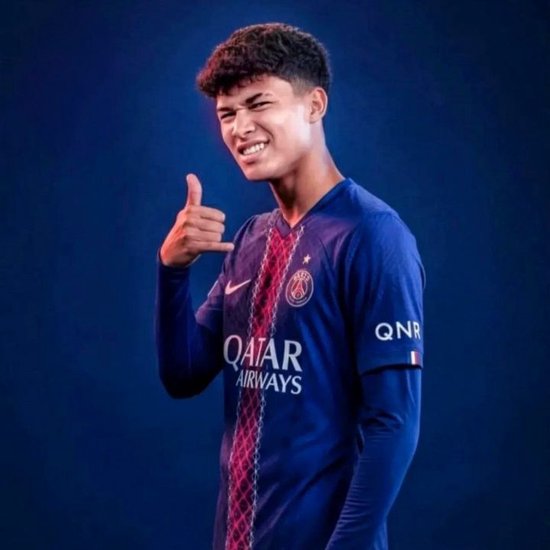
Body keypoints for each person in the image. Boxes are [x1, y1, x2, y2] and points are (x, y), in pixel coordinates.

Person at [155, 22, 425, 550]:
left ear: (314, 105)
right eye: (228, 114)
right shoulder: (250, 239)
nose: (241, 127)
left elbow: (393, 426)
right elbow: (183, 374)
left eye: (259, 104)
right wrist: (172, 269)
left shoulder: (374, 236)